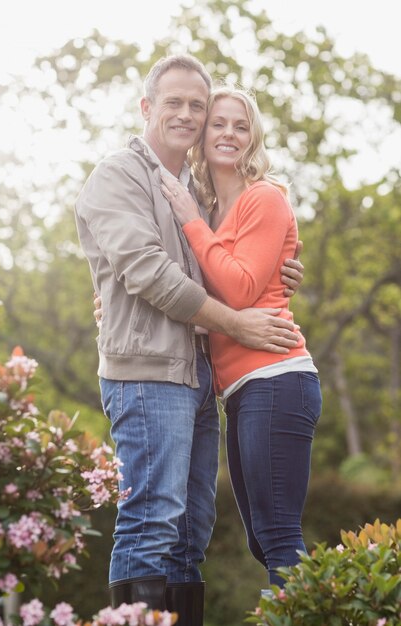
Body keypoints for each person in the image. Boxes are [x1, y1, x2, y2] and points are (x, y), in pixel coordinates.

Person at [75, 55, 303, 624]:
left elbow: (224, 270)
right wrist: (237, 323)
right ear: (147, 107)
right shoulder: (118, 175)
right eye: (173, 102)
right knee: (152, 518)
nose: (187, 114)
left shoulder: (193, 190)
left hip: (200, 377)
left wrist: (281, 269)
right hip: (149, 373)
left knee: (189, 530)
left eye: (196, 106)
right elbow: (147, 271)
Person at [161, 86, 322, 592]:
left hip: (277, 378)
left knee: (277, 535)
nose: (228, 133)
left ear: (253, 139)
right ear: (203, 134)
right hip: (243, 390)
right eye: (219, 123)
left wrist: (188, 217)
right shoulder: (212, 214)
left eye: (241, 125)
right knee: (262, 539)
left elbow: (240, 287)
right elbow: (206, 301)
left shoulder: (264, 198)